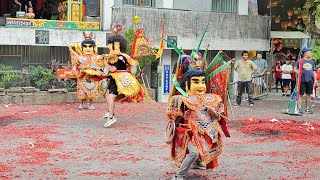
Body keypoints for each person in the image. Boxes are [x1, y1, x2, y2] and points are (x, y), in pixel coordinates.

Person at [167, 70, 229, 180]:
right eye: (196, 82)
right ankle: (179, 175)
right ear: (186, 84)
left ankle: (197, 162)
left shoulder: (212, 98)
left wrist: (213, 112)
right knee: (194, 152)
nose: (201, 86)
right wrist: (170, 135)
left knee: (204, 149)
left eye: (203, 82)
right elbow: (172, 120)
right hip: (189, 132)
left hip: (208, 132)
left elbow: (219, 118)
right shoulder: (180, 99)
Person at [103, 24, 144, 127]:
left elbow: (113, 68)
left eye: (113, 44)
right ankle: (110, 112)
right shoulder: (115, 56)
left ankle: (111, 117)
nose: (110, 46)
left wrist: (105, 63)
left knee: (111, 97)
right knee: (108, 96)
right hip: (114, 78)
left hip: (119, 79)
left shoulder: (119, 57)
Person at [71, 32, 106, 110]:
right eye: (85, 47)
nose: (88, 48)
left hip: (93, 77)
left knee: (92, 90)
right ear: (82, 48)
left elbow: (102, 66)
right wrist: (79, 73)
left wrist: (98, 72)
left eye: (90, 46)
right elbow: (74, 67)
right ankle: (81, 104)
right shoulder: (78, 58)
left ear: (94, 48)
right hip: (82, 77)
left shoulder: (98, 57)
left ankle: (91, 104)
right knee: (82, 91)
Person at [294, 47, 318, 114]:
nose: (311, 53)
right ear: (305, 53)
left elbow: (314, 71)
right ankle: (299, 108)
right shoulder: (300, 61)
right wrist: (298, 73)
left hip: (310, 80)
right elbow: (295, 68)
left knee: (308, 94)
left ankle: (307, 108)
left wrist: (315, 80)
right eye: (309, 52)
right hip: (302, 80)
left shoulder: (312, 62)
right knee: (300, 94)